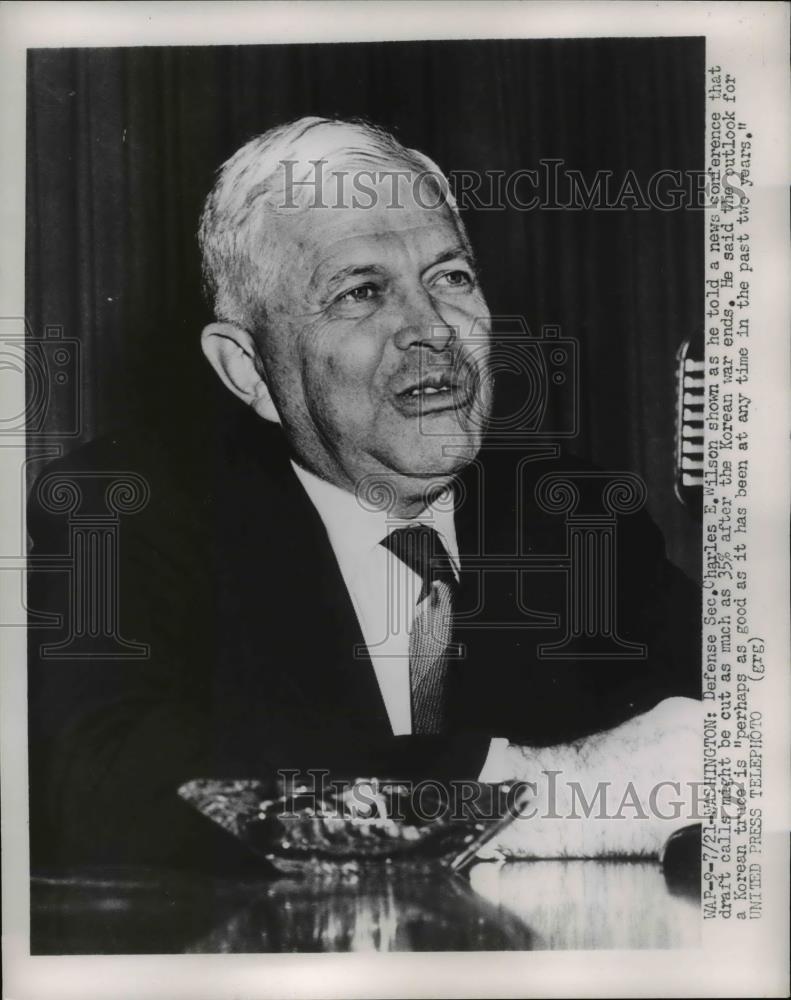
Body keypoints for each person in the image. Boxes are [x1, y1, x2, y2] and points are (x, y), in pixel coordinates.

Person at [27, 117, 701, 871]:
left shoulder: (574, 512)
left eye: (451, 277)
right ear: (248, 368)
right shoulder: (125, 507)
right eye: (360, 291)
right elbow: (104, 784)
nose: (431, 330)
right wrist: (542, 794)